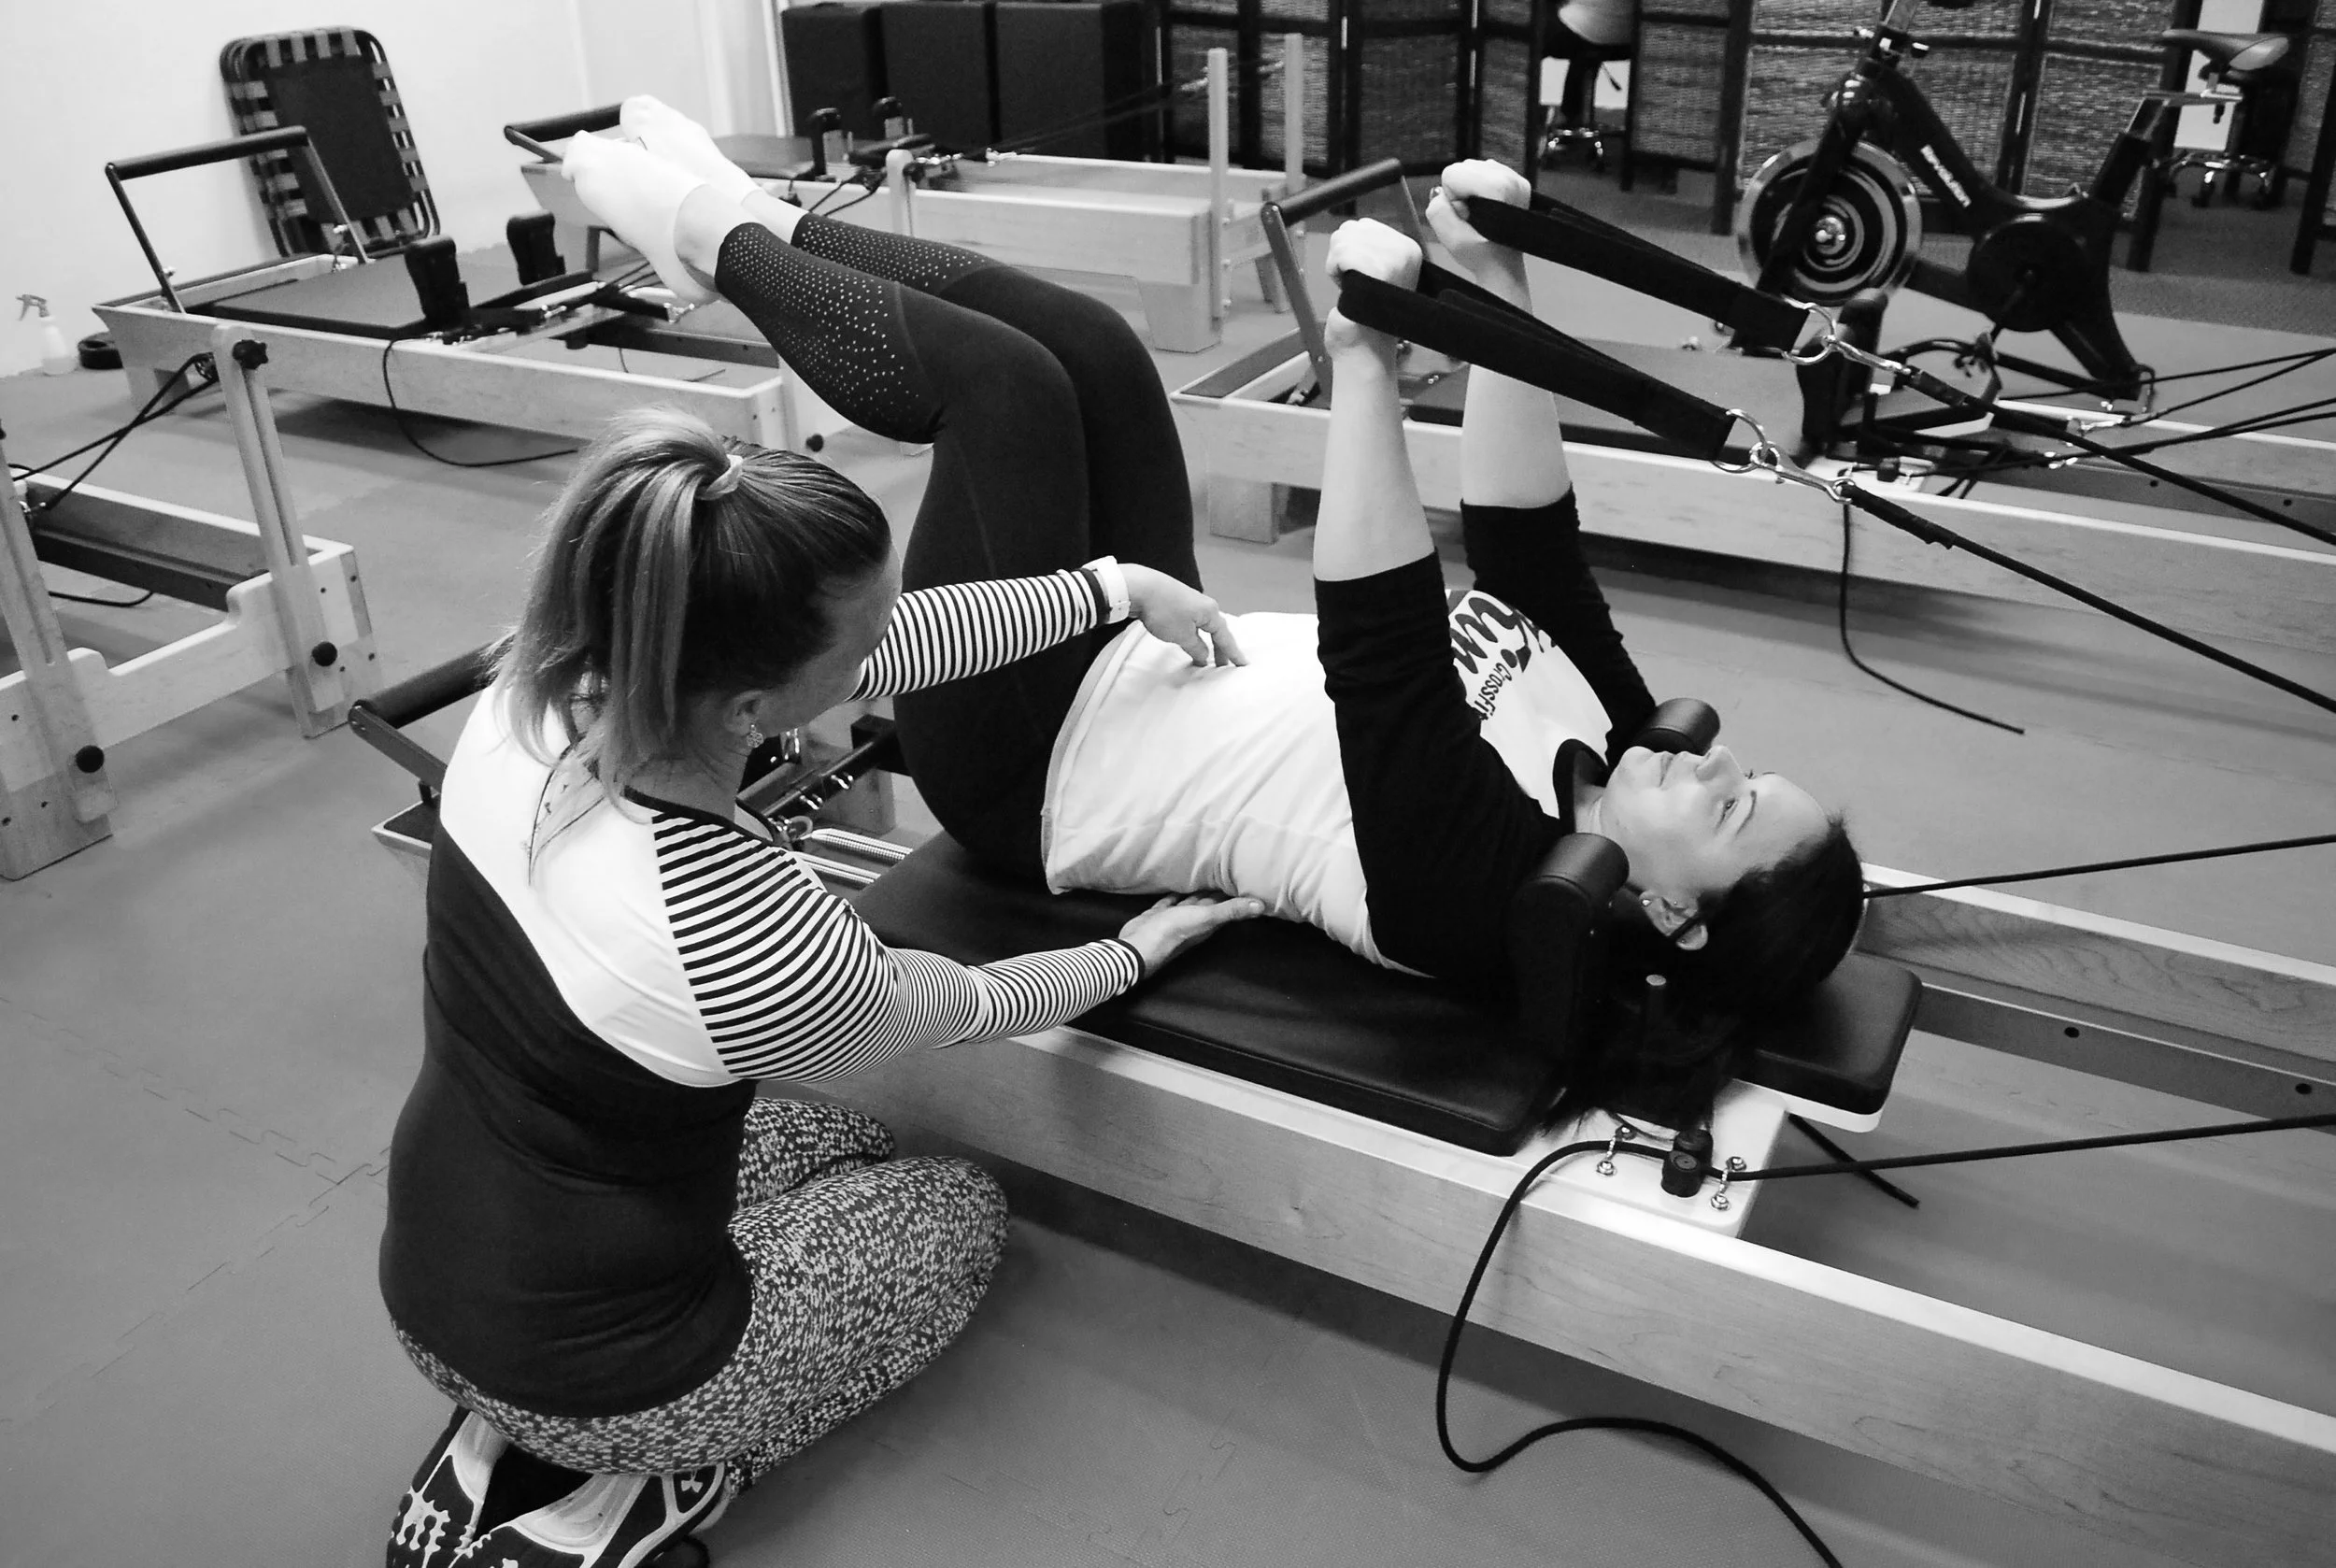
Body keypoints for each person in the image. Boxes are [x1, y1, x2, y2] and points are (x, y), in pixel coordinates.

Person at [560, 114, 1864, 1115]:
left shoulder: (1487, 897)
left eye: (1729, 809)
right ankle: (756, 219)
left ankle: (707, 234)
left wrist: (1365, 361)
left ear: (1676, 916)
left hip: (1037, 763)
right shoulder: (1628, 742)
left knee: (1006, 393)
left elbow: (1383, 649)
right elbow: (1534, 545)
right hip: (1151, 639)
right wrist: (1500, 284)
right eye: (1743, 769)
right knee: (1097, 351)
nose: (1708, 762)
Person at [377, 117, 1267, 1567]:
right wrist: (1133, 949)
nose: (879, 662)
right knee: (952, 1208)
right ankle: (635, 1474)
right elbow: (956, 1003)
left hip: (435, 1265)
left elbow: (880, 645)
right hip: (630, 1357)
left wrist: (1111, 587)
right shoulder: (739, 926)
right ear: (747, 703)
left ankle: (503, 1427)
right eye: (854, 655)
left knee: (833, 1134)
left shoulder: (547, 683)